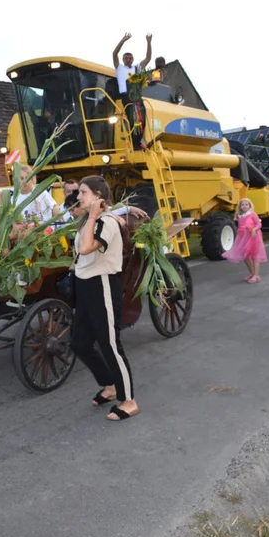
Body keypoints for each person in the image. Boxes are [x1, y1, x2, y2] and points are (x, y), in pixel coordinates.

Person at [72, 175, 139, 421]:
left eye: (83, 192)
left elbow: (86, 248)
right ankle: (109, 386)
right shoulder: (91, 220)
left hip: (102, 285)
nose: (78, 197)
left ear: (98, 197)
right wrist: (89, 216)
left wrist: (91, 216)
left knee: (110, 344)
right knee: (79, 342)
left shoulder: (106, 222)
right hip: (85, 286)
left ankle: (129, 400)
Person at [112, 32, 152, 149]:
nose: (128, 60)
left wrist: (149, 43)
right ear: (123, 59)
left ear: (132, 59)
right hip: (125, 96)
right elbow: (114, 53)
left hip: (136, 96)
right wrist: (123, 40)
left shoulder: (136, 68)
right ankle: (134, 143)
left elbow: (148, 58)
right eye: (126, 58)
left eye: (130, 58)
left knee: (142, 117)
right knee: (132, 118)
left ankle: (138, 141)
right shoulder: (119, 67)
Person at [223, 198, 267, 283]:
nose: (244, 206)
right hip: (243, 237)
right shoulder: (239, 216)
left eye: (246, 204)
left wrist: (254, 229)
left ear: (250, 206)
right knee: (245, 256)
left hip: (253, 236)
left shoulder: (252, 214)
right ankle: (252, 273)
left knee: (255, 255)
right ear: (240, 206)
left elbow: (259, 224)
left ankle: (256, 276)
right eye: (242, 205)